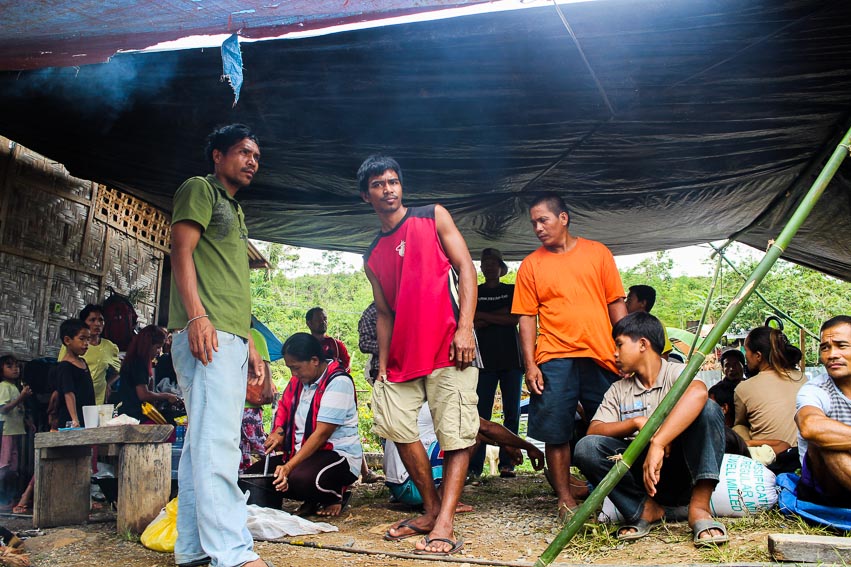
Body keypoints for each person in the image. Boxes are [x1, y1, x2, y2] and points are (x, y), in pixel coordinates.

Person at [360, 154, 479, 556]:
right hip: (403, 357)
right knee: (394, 421)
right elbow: (384, 313)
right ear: (367, 196)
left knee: (457, 432)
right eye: (378, 184)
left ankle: (444, 520)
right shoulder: (372, 254)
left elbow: (465, 267)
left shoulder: (433, 216)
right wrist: (382, 363)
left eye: (393, 181)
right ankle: (430, 509)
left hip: (450, 348)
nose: (388, 189)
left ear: (401, 186)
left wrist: (465, 329)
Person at [167, 124, 269, 567]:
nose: (252, 161)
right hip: (205, 333)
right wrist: (196, 316)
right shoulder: (200, 190)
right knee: (218, 443)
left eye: (256, 156)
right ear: (216, 154)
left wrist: (249, 340)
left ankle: (192, 549)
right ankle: (231, 552)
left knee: (200, 446)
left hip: (228, 334)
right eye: (244, 152)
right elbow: (181, 251)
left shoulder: (236, 209)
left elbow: (230, 281)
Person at [512, 192, 627, 520]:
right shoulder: (531, 265)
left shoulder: (598, 253)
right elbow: (525, 318)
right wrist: (530, 364)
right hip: (554, 357)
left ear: (563, 218)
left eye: (543, 220)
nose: (537, 227)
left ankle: (614, 494)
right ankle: (565, 499)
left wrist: (625, 348)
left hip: (601, 354)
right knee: (556, 430)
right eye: (533, 222)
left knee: (610, 426)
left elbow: (615, 304)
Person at [573, 312, 728, 546]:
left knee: (708, 409)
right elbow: (594, 430)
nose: (614, 353)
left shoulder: (676, 373)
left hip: (681, 468)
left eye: (619, 345)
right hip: (641, 478)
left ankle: (699, 509)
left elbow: (698, 392)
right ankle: (644, 510)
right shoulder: (618, 390)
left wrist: (658, 441)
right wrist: (635, 424)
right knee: (587, 448)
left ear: (643, 344)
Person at [383, 402, 545, 514]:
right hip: (412, 488)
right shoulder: (440, 400)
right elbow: (486, 428)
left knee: (468, 431)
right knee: (468, 437)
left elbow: (480, 429)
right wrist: (529, 447)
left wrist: (504, 443)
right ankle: (440, 498)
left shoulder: (416, 399)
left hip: (399, 487)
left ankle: (434, 496)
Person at [264, 333, 362, 517]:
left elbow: (321, 435)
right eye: (290, 368)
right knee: (257, 477)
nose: (293, 374)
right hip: (302, 451)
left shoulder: (338, 382)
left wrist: (288, 467)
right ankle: (309, 499)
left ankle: (334, 495)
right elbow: (285, 408)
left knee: (300, 479)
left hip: (336, 455)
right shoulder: (299, 381)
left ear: (315, 360)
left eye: (296, 368)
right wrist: (279, 432)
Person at [470, 248, 523, 479]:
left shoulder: (512, 290)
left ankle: (507, 463)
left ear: (501, 268)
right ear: (481, 268)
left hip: (512, 359)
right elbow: (469, 317)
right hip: (484, 362)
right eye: (485, 263)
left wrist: (485, 316)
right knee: (481, 413)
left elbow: (515, 317)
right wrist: (497, 317)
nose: (489, 267)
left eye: (493, 263)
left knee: (512, 412)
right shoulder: (475, 291)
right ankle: (474, 466)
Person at [795, 315, 851, 507]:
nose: (832, 354)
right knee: (824, 440)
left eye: (841, 346)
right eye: (825, 347)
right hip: (827, 487)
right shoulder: (815, 389)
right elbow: (810, 427)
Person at [734, 326, 805, 449]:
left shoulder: (744, 388)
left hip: (770, 458)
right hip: (801, 454)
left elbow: (740, 423)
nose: (745, 356)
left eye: (746, 351)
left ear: (758, 356)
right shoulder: (803, 378)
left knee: (738, 427)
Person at [57, 304, 120, 405]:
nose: (97, 324)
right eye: (92, 320)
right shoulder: (72, 344)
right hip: (74, 396)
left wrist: (108, 384)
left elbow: (118, 371)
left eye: (101, 320)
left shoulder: (110, 347)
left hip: (97, 400)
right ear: (84, 323)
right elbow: (62, 369)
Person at [116, 325, 181, 422]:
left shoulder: (136, 360)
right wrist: (167, 396)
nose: (159, 352)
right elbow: (143, 394)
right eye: (158, 347)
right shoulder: (138, 363)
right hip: (134, 416)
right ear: (148, 345)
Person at [354, 302, 385, 484]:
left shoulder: (409, 303)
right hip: (382, 374)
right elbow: (364, 344)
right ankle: (396, 476)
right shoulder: (372, 311)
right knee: (388, 424)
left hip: (411, 371)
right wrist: (390, 344)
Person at [52, 319, 96, 429]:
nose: (86, 343)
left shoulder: (83, 362)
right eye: (82, 339)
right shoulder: (65, 366)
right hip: (71, 420)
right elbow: (69, 393)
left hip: (86, 416)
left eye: (88, 339)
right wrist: (74, 419)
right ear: (67, 340)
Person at [240, 327, 273, 471]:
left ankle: (279, 465)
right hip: (239, 402)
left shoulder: (254, 334)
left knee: (258, 441)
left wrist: (267, 388)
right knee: (242, 444)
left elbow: (265, 363)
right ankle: (244, 473)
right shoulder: (239, 333)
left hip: (250, 404)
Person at [0, 355, 31, 506]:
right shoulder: (4, 387)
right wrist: (21, 398)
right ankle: (3, 500)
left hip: (15, 431)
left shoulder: (15, 387)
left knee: (13, 467)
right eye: (9, 366)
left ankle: (9, 499)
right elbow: (4, 409)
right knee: (4, 467)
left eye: (17, 366)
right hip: (6, 432)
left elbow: (18, 410)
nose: (15, 369)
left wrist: (27, 421)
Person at [624, 285, 673, 358]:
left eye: (629, 300)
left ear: (643, 303)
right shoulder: (624, 323)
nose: (625, 303)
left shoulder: (655, 325)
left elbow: (664, 354)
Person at [306, 307, 351, 373]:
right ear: (309, 323)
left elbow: (346, 368)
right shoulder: (304, 345)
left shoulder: (337, 345)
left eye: (325, 319)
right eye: (318, 319)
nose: (323, 322)